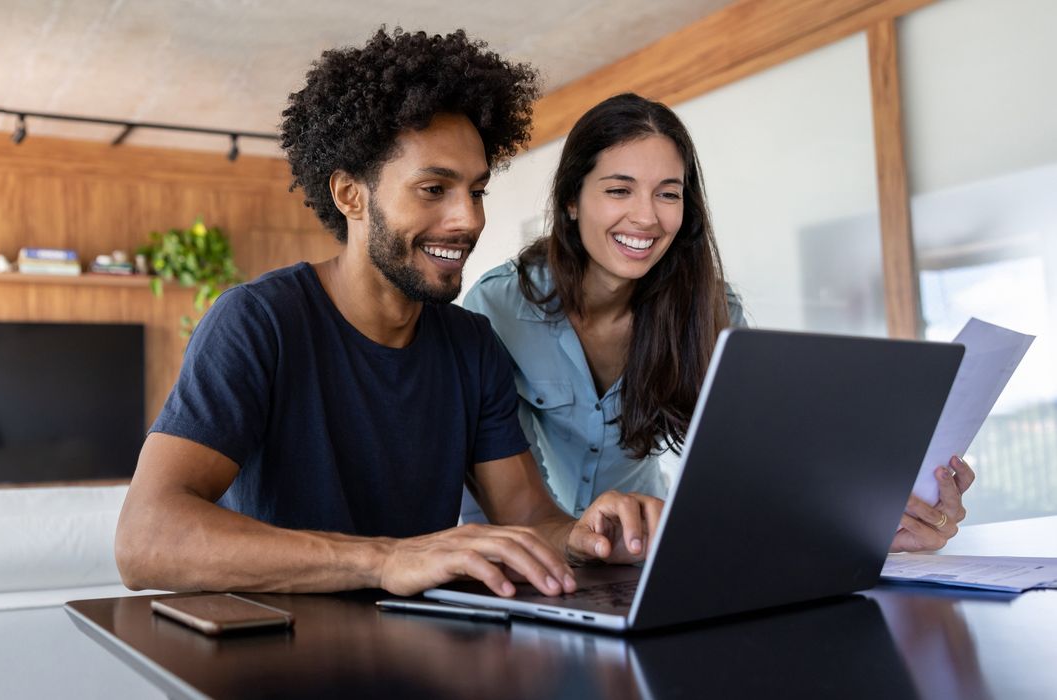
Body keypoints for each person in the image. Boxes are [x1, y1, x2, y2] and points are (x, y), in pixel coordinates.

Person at [115, 29, 665, 600]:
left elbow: (527, 515)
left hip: (417, 642)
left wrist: (586, 536)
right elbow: (146, 540)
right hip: (279, 644)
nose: (468, 219)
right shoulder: (258, 323)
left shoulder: (471, 345)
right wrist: (384, 560)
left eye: (476, 191)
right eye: (433, 188)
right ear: (350, 195)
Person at [460, 93, 973, 552]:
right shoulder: (498, 306)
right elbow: (502, 486)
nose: (647, 217)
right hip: (523, 553)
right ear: (571, 200)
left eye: (668, 193)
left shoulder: (710, 311)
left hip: (640, 553)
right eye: (619, 190)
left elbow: (767, 459)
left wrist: (875, 518)